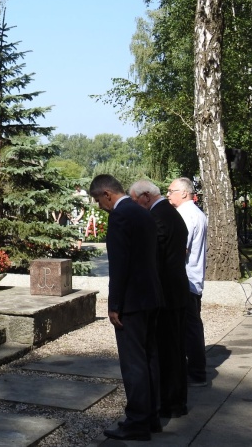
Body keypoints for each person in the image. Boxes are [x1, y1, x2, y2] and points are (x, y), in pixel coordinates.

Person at [89, 174, 163, 441]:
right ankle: (152, 416)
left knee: (134, 364)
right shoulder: (143, 213)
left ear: (107, 194)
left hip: (132, 301)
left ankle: (137, 421)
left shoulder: (120, 216)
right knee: (150, 358)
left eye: (98, 200)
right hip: (151, 297)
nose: (99, 206)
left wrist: (115, 305)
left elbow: (119, 265)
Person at [130, 179, 190, 418]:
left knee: (168, 351)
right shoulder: (171, 213)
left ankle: (171, 402)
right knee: (174, 349)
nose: (135, 206)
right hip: (176, 290)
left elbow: (155, 259)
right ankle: (176, 401)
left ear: (145, 196)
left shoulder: (158, 217)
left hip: (167, 294)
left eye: (135, 200)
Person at [167, 177, 208, 387]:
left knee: (189, 328)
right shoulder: (197, 213)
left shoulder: (184, 215)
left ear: (184, 193)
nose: (168, 194)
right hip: (193, 279)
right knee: (191, 327)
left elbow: (180, 249)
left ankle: (196, 373)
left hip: (186, 280)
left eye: (171, 190)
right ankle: (195, 370)